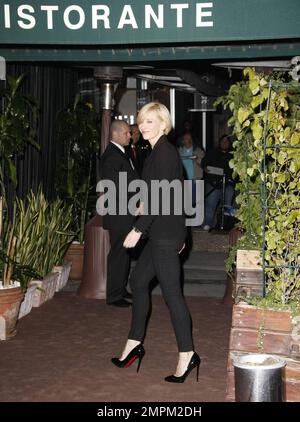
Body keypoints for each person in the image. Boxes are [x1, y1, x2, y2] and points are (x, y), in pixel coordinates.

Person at [111, 102, 200, 383]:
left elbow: (162, 198)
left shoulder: (164, 153)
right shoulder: (156, 153)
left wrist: (138, 228)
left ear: (164, 124)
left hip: (162, 235)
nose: (143, 125)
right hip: (163, 231)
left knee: (173, 296)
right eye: (142, 121)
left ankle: (188, 355)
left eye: (151, 121)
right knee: (138, 282)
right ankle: (134, 344)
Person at [99, 120, 139, 307]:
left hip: (124, 212)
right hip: (119, 213)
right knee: (118, 255)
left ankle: (120, 289)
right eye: (126, 133)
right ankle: (114, 296)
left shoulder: (120, 153)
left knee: (123, 254)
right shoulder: (112, 156)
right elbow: (115, 188)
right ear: (115, 134)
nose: (130, 136)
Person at [201, 134, 235, 231]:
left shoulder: (233, 155)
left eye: (226, 141)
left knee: (228, 205)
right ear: (219, 143)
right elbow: (204, 163)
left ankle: (226, 224)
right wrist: (205, 168)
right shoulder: (212, 153)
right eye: (223, 141)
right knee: (210, 205)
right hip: (214, 184)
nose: (224, 143)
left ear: (229, 143)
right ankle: (207, 223)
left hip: (228, 184)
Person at [178, 131, 205, 207]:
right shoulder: (178, 151)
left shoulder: (198, 151)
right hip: (182, 181)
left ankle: (193, 217)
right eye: (186, 138)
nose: (189, 140)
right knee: (183, 203)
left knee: (194, 203)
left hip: (195, 181)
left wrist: (197, 159)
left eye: (190, 138)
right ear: (183, 141)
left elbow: (204, 165)